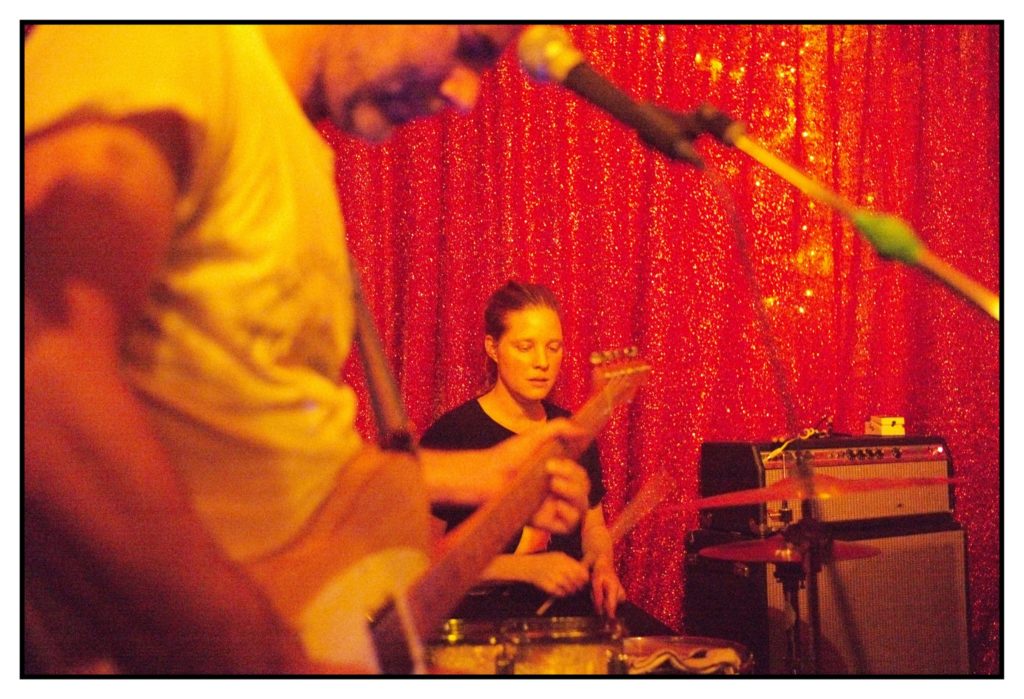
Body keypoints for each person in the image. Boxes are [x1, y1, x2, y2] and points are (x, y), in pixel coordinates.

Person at [23, 24, 591, 675]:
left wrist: (478, 475)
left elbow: (257, 443)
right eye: (470, 45)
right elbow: (40, 383)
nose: (465, 95)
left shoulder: (293, 146)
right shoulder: (169, 39)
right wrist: (270, 660)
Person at [421, 281, 674, 636]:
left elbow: (593, 527)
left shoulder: (571, 428)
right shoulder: (454, 432)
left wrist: (603, 566)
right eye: (525, 347)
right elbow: (423, 560)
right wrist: (526, 569)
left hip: (572, 609)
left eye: (553, 347)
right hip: (486, 621)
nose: (542, 362)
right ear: (493, 348)